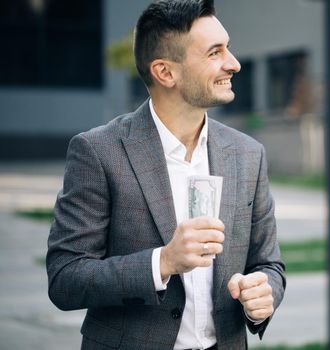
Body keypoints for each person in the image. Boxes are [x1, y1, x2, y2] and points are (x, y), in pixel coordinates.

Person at [46, 0, 286, 349]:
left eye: (228, 48)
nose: (233, 63)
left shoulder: (249, 154)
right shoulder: (99, 152)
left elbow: (269, 265)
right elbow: (66, 279)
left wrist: (263, 295)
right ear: (165, 72)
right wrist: (163, 261)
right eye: (214, 52)